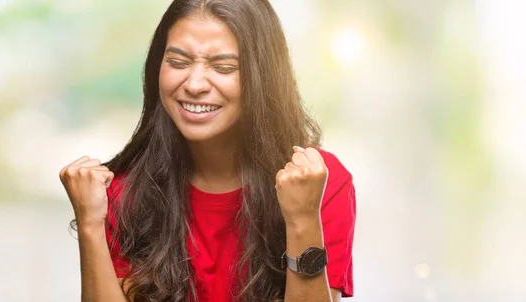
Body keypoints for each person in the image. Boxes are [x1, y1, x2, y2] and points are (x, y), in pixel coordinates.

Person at [59, 0, 356, 301]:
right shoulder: (124, 192)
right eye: (177, 62)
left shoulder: (317, 183)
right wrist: (90, 223)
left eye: (224, 67)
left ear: (263, 76)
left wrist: (303, 219)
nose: (195, 84)